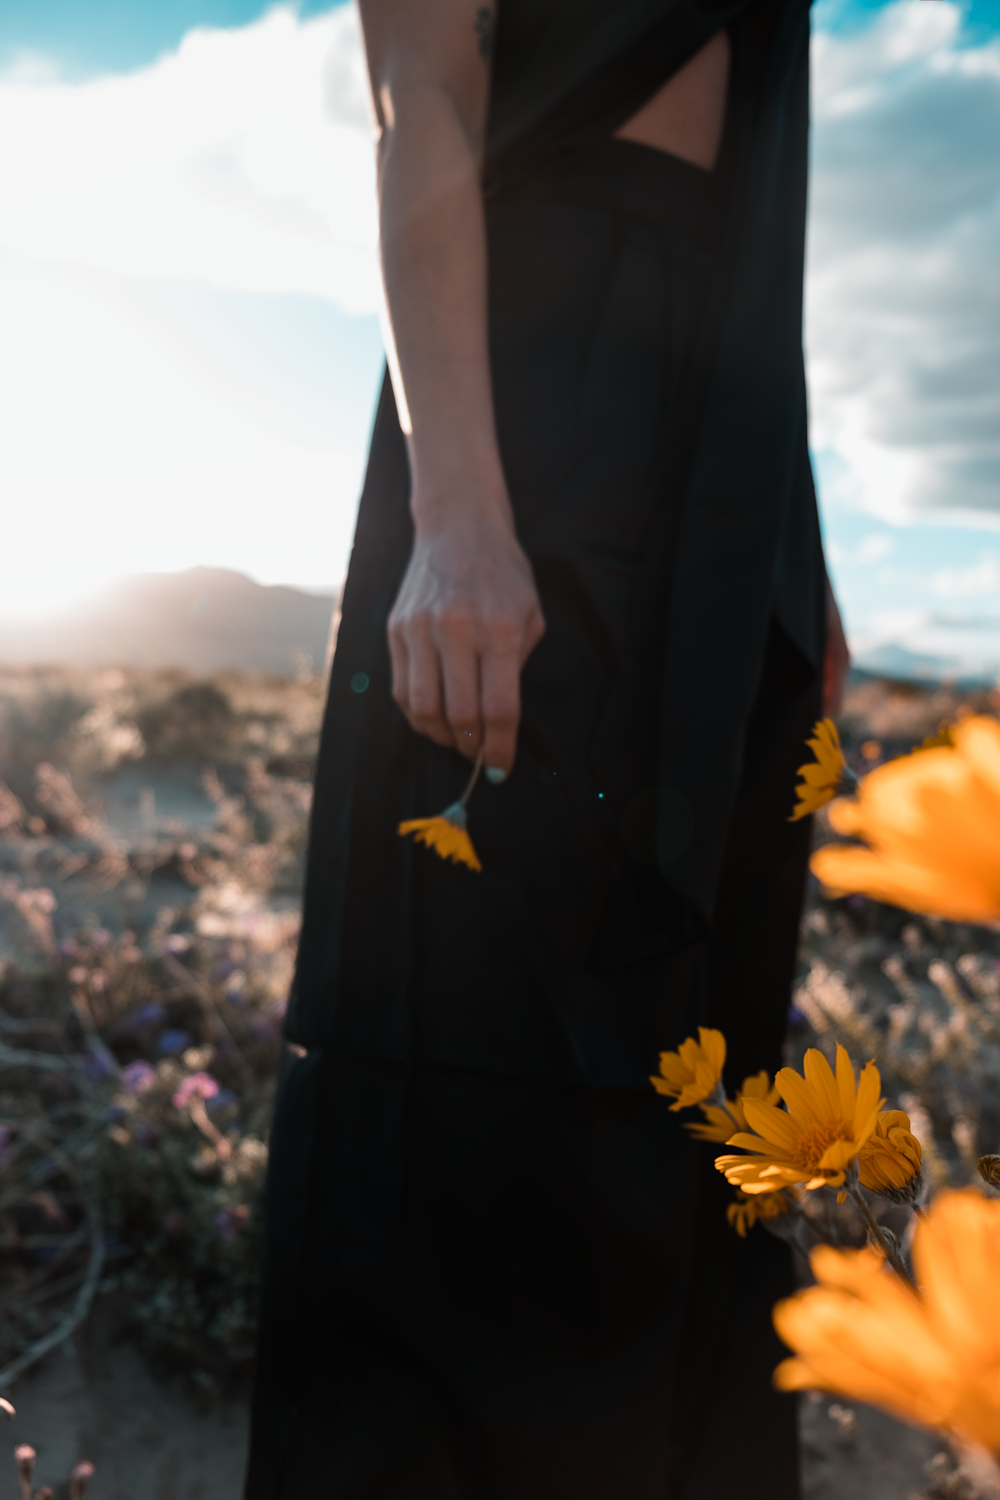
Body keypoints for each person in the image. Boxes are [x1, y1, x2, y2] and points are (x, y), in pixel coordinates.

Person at [245, 0, 850, 1494]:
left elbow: (758, 207)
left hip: (735, 462)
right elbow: (423, 100)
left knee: (703, 1072)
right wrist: (454, 513)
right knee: (482, 1022)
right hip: (531, 418)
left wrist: (805, 564)